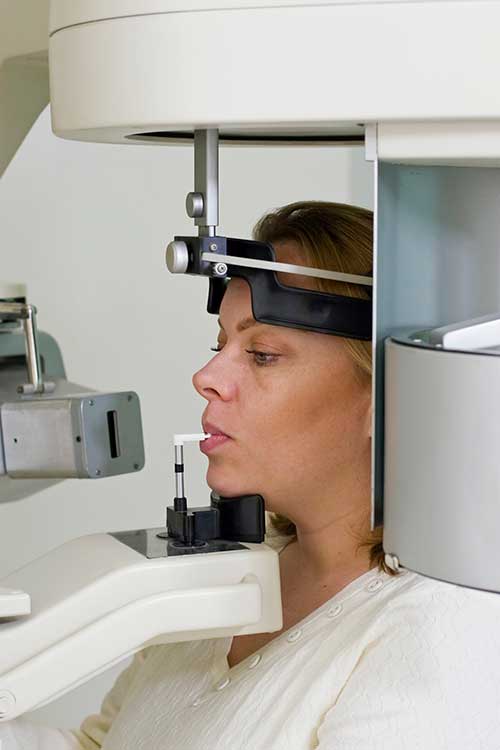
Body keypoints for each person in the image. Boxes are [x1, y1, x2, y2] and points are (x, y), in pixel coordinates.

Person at [2, 201, 500, 749]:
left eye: (261, 354)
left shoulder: (443, 632)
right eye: (220, 345)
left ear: (387, 393)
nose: (206, 376)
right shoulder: (224, 574)